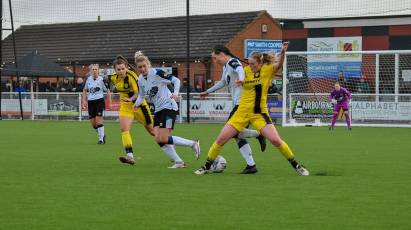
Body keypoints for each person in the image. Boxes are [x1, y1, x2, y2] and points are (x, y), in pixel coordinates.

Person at [195, 42, 309, 176]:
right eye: (248, 63)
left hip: (259, 113)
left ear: (260, 63)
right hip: (241, 112)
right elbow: (236, 72)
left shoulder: (267, 70)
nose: (250, 66)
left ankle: (296, 165)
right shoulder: (246, 71)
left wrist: (283, 52)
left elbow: (278, 64)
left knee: (276, 140)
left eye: (253, 64)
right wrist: (210, 90)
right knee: (221, 140)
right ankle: (206, 166)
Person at [200, 45, 266, 174]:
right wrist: (207, 92)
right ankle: (251, 166)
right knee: (237, 135)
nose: (215, 61)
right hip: (238, 104)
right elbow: (223, 82)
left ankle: (259, 135)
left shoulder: (232, 62)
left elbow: (240, 68)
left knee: (233, 133)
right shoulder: (226, 67)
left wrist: (241, 79)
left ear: (222, 54)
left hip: (243, 104)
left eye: (215, 57)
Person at [132, 51, 200, 168]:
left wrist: (175, 93)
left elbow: (176, 80)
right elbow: (142, 95)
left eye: (144, 66)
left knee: (163, 138)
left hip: (169, 107)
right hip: (158, 110)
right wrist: (136, 104)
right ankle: (179, 162)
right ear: (137, 68)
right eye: (140, 67)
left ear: (149, 64)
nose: (142, 69)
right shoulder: (140, 80)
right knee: (158, 140)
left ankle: (193, 143)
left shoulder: (157, 73)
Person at [110, 56, 155, 165]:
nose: (121, 71)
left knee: (154, 132)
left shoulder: (132, 76)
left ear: (126, 68)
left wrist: (130, 99)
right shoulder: (112, 78)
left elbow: (138, 94)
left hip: (139, 106)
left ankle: (173, 147)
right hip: (126, 107)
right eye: (118, 69)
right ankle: (130, 156)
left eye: (123, 69)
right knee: (124, 129)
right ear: (115, 70)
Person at [82, 64, 111, 144]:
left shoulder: (102, 79)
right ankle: (102, 135)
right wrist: (84, 101)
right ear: (91, 71)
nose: (94, 71)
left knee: (98, 120)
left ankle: (101, 140)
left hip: (99, 101)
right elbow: (84, 90)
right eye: (93, 69)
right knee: (93, 124)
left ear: (98, 70)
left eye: (96, 69)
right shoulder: (88, 79)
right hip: (90, 102)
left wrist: (109, 102)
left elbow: (108, 91)